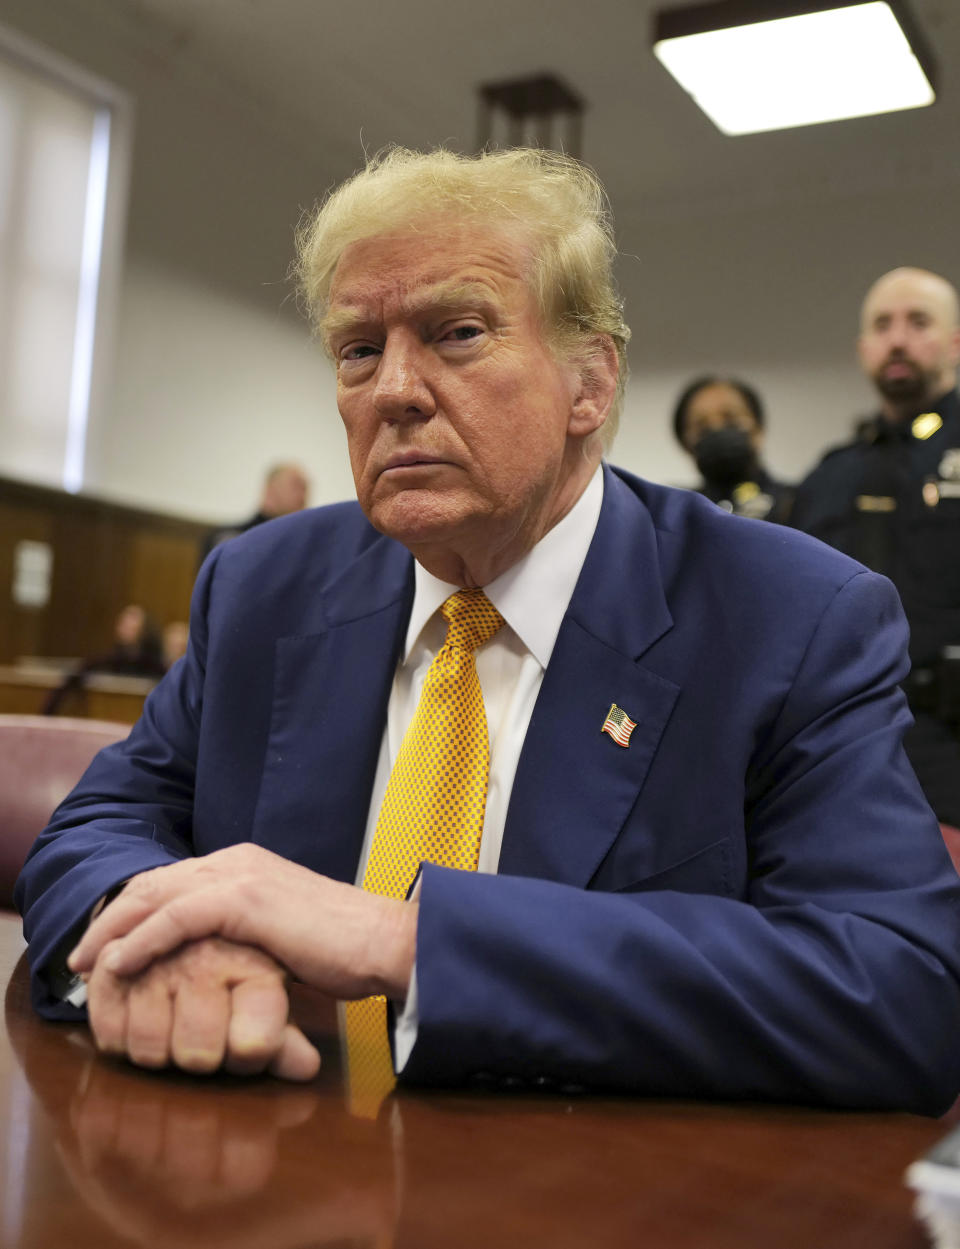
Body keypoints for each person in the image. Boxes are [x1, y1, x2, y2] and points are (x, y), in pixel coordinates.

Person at [17, 150, 960, 1114]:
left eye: (456, 333)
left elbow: (896, 985)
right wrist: (158, 934)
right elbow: (99, 826)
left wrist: (406, 941)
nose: (394, 390)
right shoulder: (262, 585)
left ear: (590, 381)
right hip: (264, 1165)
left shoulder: (787, 616)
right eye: (358, 349)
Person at [791, 267, 960, 826]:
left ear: (955, 341)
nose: (898, 338)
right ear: (864, 348)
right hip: (850, 748)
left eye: (919, 322)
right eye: (883, 325)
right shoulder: (831, 477)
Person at [671, 375, 793, 522]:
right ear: (685, 444)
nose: (717, 429)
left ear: (758, 429)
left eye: (731, 419)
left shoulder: (797, 503)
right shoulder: (678, 515)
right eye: (701, 426)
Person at [42, 604, 167, 715]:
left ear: (145, 628)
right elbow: (74, 676)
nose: (125, 626)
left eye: (132, 622)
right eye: (123, 622)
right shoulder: (109, 660)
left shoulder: (157, 666)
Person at [200, 462, 311, 559]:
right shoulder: (229, 541)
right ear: (270, 490)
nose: (303, 495)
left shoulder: (304, 548)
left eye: (305, 488)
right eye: (296, 485)